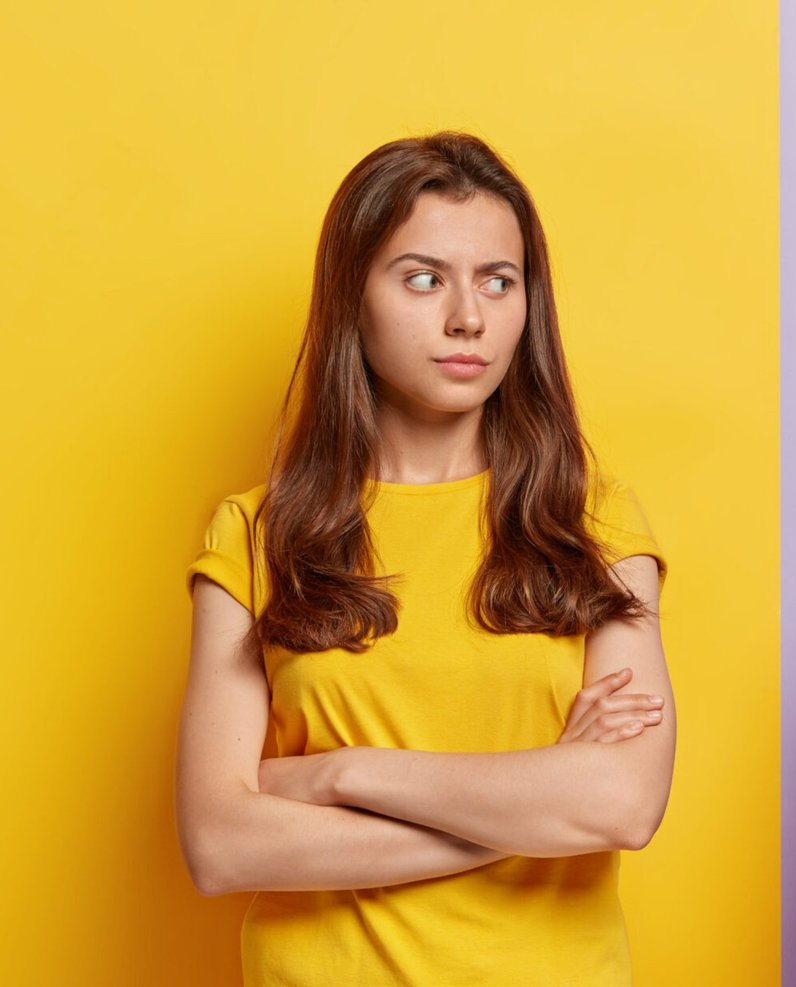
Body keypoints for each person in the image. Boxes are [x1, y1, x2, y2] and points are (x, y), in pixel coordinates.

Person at [176, 133, 673, 986]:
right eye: (422, 278)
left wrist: (341, 773)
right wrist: (533, 808)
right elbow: (221, 845)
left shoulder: (592, 522)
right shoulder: (258, 537)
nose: (468, 317)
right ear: (351, 300)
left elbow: (622, 804)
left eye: (498, 280)